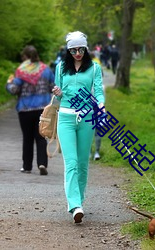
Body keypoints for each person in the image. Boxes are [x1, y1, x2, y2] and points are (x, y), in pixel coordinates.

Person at [52, 31, 105, 223]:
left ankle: (79, 201)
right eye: (73, 50)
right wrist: (57, 92)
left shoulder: (94, 68)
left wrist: (101, 106)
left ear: (86, 48)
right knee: (71, 163)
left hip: (87, 118)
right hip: (65, 118)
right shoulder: (60, 68)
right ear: (68, 50)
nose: (77, 53)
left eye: (81, 49)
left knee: (83, 163)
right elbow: (58, 97)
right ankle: (74, 205)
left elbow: (98, 91)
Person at [6, 45, 55, 175]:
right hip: (42, 109)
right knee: (40, 137)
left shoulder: (21, 71)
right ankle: (42, 163)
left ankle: (27, 166)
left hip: (25, 109)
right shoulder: (46, 70)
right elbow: (53, 87)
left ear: (25, 57)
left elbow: (14, 90)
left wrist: (9, 83)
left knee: (27, 138)